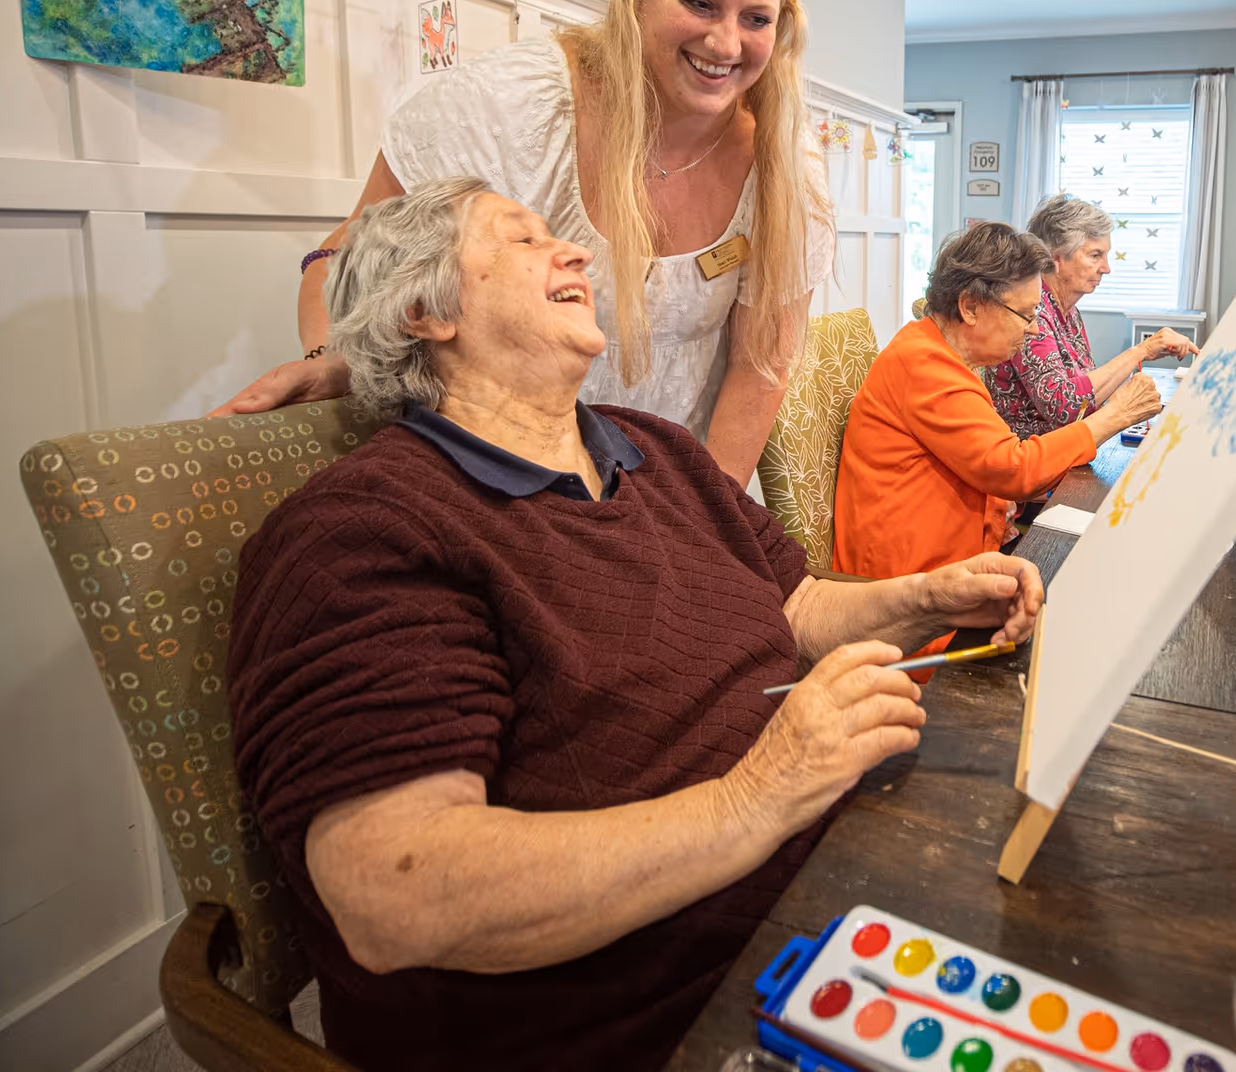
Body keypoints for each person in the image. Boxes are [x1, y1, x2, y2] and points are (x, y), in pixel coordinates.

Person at [226, 179, 1042, 1072]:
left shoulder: (654, 451)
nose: (575, 253)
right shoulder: (365, 528)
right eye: (524, 240)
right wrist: (758, 793)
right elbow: (397, 894)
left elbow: (796, 607)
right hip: (659, 1012)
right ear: (426, 309)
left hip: (825, 879)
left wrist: (925, 596)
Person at [209, 0, 834, 487]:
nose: (726, 43)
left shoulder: (785, 164)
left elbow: (760, 366)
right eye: (699, 3)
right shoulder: (510, 109)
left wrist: (705, 527)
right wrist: (334, 358)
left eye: (757, 18)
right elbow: (352, 255)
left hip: (667, 497)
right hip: (493, 484)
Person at [833, 221, 1163, 589]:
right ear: (971, 307)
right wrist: (1117, 415)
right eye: (1026, 315)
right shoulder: (925, 366)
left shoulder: (942, 354)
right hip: (911, 590)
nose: (1036, 329)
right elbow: (1013, 469)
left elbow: (990, 463)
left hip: (949, 564)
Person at [988, 193, 1198, 440]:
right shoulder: (1033, 314)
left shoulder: (1068, 312)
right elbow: (1064, 407)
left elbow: (1087, 395)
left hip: (1067, 453)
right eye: (1095, 255)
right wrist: (1141, 351)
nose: (1106, 268)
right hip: (1032, 459)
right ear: (1055, 259)